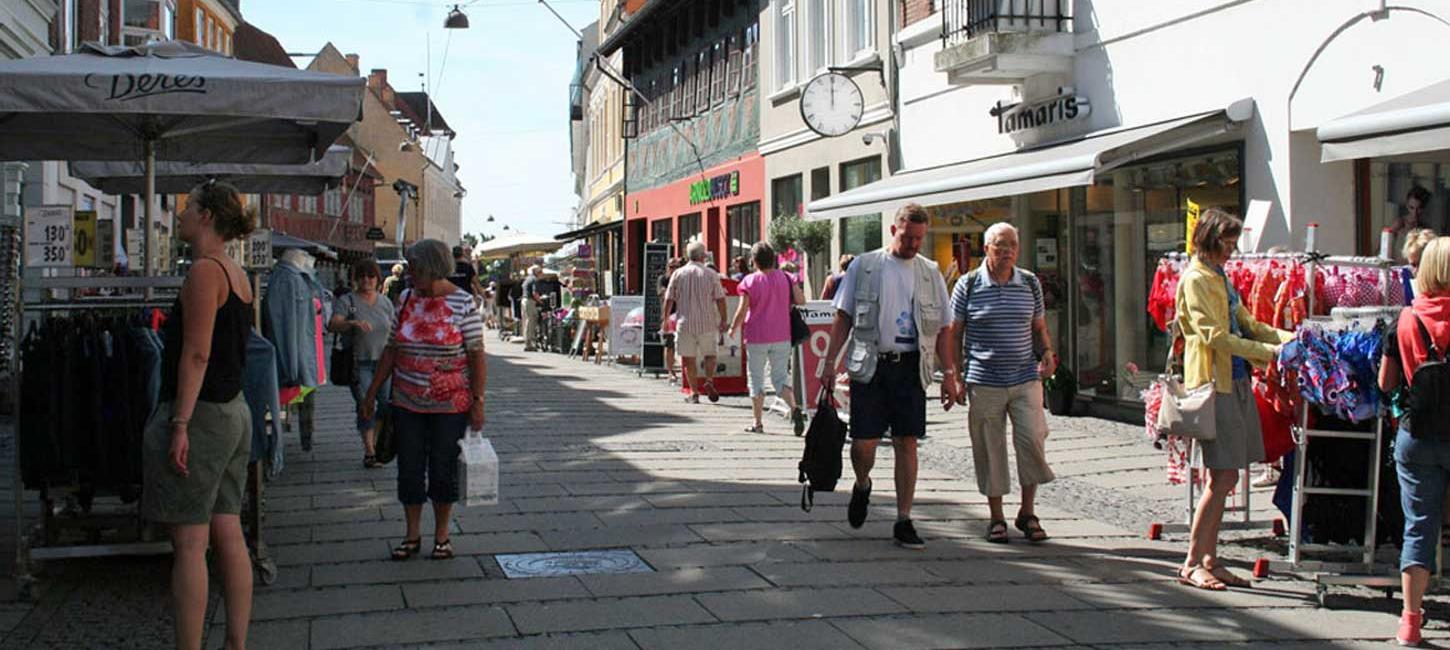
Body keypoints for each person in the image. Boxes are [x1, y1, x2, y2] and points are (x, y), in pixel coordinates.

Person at [142, 180, 255, 650]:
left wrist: (180, 424)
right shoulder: (237, 272)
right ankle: (235, 642)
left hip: (204, 414)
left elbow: (196, 355)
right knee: (228, 529)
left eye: (188, 206)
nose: (181, 213)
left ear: (207, 217)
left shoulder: (204, 273)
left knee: (190, 543)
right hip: (235, 412)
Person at [819, 203, 952, 550]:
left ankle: (903, 519)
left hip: (911, 366)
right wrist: (829, 362)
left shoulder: (929, 271)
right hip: (871, 364)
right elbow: (843, 317)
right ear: (894, 231)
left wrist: (950, 372)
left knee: (907, 442)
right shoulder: (865, 266)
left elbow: (944, 327)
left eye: (919, 238)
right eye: (908, 237)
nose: (913, 245)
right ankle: (863, 483)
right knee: (864, 444)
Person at [1172, 208, 1292, 590]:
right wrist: (1268, 352)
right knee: (1220, 475)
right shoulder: (1196, 279)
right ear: (1207, 240)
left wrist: (1289, 339)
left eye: (1232, 244)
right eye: (1225, 244)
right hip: (1214, 382)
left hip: (1236, 380)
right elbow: (1213, 336)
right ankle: (1192, 561)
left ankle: (1210, 557)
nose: (1231, 251)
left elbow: (1248, 322)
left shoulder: (1219, 277)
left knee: (1226, 476)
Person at [360, 239, 486, 562]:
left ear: (431, 268)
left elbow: (475, 355)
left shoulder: (463, 303)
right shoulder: (405, 300)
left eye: (414, 268)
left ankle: (442, 536)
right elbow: (392, 349)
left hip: (450, 406)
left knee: (443, 471)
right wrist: (372, 392)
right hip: (407, 403)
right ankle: (412, 534)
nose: (408, 274)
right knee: (410, 471)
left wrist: (478, 401)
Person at [941, 223, 1056, 543]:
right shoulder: (969, 284)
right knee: (990, 446)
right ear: (987, 248)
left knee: (1032, 439)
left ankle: (1027, 511)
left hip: (1024, 376)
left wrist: (1046, 350)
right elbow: (955, 332)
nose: (1007, 252)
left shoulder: (1030, 282)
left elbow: (1039, 325)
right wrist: (955, 374)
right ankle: (996, 517)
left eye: (1012, 246)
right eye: (1000, 245)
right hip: (984, 379)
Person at [1380, 237, 1450, 646]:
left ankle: (1410, 622)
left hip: (1416, 435)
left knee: (1419, 527)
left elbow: (1385, 383)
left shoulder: (1404, 320)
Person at [729, 242, 804, 433]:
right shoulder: (787, 278)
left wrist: (733, 328)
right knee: (780, 379)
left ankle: (758, 422)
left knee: (756, 379)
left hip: (756, 336)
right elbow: (801, 301)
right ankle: (794, 408)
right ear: (773, 259)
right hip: (782, 335)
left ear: (754, 261)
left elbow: (742, 308)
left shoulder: (749, 282)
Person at [327, 260, 394, 469]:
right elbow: (332, 324)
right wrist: (351, 323)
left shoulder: (385, 302)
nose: (366, 280)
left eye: (371, 276)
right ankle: (370, 451)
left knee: (384, 405)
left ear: (377, 279)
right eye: (362, 276)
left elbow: (394, 330)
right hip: (359, 363)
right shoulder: (348, 301)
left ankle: (375, 441)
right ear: (355, 279)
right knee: (366, 403)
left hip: (384, 363)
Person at [664, 242, 727, 403]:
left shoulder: (678, 273)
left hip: (685, 323)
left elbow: (668, 299)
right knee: (710, 355)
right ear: (702, 256)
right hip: (707, 322)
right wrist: (724, 319)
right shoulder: (711, 274)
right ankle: (709, 380)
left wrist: (665, 320)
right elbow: (720, 299)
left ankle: (693, 392)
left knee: (688, 359)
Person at [661, 257, 685, 384]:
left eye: (676, 267)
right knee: (669, 345)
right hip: (669, 316)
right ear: (667, 268)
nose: (674, 269)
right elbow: (663, 294)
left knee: (684, 344)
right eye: (671, 267)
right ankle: (671, 371)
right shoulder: (664, 279)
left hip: (683, 315)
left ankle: (685, 371)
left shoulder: (683, 278)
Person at [1394, 187, 1436, 259]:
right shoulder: (1400, 223)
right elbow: (1383, 246)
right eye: (1411, 207)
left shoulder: (1426, 228)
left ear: (1424, 207)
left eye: (1419, 208)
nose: (1415, 213)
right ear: (1407, 206)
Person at [521, 265, 543, 352]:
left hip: (524, 300)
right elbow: (534, 293)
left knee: (526, 321)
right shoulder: (534, 279)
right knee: (530, 322)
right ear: (537, 272)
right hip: (529, 301)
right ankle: (529, 344)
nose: (542, 274)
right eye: (541, 272)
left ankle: (527, 342)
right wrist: (540, 301)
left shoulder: (527, 279)